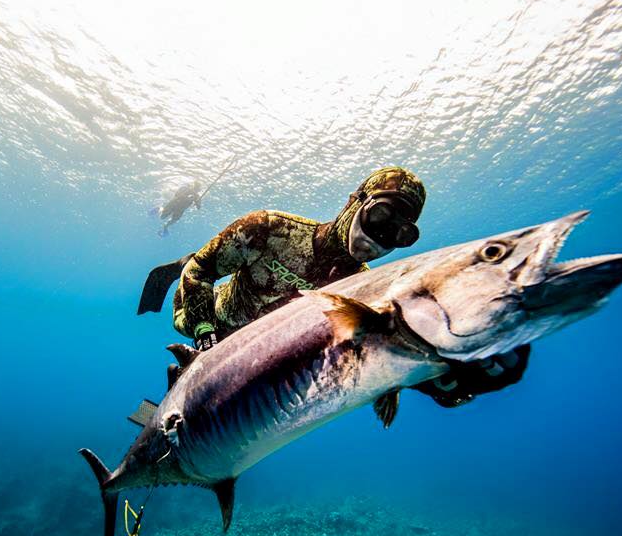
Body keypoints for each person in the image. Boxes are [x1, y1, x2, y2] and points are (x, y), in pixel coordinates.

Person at [159, 167, 528, 425]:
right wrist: (205, 331)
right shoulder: (267, 229)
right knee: (193, 288)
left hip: (253, 359)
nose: (379, 241)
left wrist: (454, 382)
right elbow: (200, 273)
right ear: (356, 200)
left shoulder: (369, 295)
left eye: (399, 235)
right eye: (380, 216)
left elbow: (386, 358)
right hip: (213, 323)